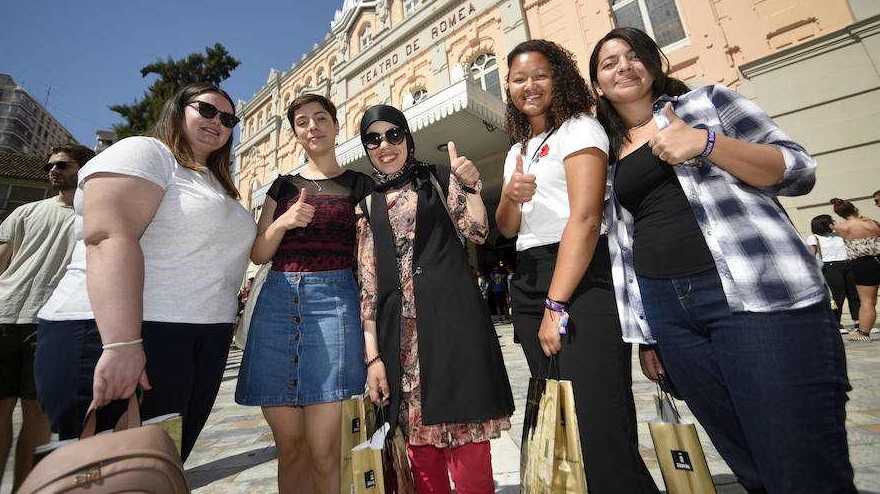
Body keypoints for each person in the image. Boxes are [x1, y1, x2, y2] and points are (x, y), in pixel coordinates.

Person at [591, 26, 855, 493]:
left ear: (653, 62)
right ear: (598, 84)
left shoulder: (707, 103)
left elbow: (797, 170)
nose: (623, 67)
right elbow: (624, 247)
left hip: (756, 293)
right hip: (669, 312)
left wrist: (706, 143)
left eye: (633, 55)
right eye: (609, 63)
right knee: (743, 455)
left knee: (799, 458)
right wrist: (647, 335)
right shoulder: (610, 154)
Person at [34, 83, 256, 461]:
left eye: (228, 118)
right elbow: (107, 236)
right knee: (105, 472)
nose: (217, 121)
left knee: (158, 468)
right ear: (178, 110)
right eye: (205, 110)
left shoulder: (214, 182)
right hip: (123, 330)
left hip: (199, 336)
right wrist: (121, 344)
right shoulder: (146, 152)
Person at [495, 39, 658, 494]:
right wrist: (510, 195)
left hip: (579, 278)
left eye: (540, 74)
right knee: (560, 416)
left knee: (598, 419)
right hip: (528, 277)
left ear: (559, 77)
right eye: (519, 78)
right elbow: (506, 229)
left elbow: (586, 219)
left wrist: (557, 303)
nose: (529, 85)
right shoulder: (517, 150)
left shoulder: (580, 128)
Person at [357, 104, 513, 494]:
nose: (385, 145)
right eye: (373, 139)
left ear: (407, 138)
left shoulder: (439, 178)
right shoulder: (366, 206)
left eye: (394, 134)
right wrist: (373, 357)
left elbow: (477, 231)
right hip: (402, 343)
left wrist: (471, 184)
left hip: (453, 329)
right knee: (421, 459)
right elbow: (369, 287)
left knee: (470, 454)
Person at [235, 94, 373, 494]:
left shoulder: (359, 184)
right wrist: (284, 223)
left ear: (334, 123)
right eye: (302, 121)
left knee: (325, 450)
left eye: (320, 118)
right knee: (290, 447)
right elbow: (259, 252)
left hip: (334, 306)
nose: (312, 126)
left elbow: (369, 255)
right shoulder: (283, 186)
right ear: (295, 132)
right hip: (278, 304)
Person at [0, 144, 94, 493]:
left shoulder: (95, 216)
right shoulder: (26, 211)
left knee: (38, 422)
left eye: (63, 164)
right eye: (50, 165)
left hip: (51, 326)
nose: (53, 170)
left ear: (85, 168)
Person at [830, 197, 880, 341]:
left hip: (862, 264)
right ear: (855, 209)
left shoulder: (841, 227)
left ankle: (863, 333)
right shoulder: (870, 223)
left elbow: (826, 226)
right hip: (878, 256)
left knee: (867, 302)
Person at [808, 214, 859, 332]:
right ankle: (837, 323)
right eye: (831, 221)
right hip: (831, 266)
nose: (834, 222)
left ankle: (858, 322)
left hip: (848, 264)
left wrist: (837, 227)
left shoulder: (838, 234)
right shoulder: (814, 237)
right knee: (837, 296)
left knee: (854, 294)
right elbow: (811, 254)